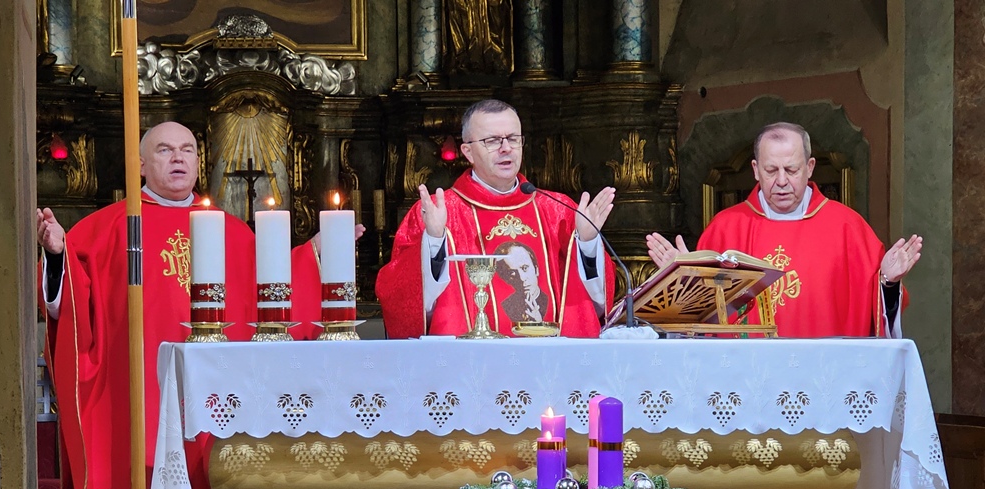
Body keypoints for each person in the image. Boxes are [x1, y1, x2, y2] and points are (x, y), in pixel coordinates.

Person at [36, 122, 324, 489]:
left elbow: (275, 303)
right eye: (165, 150)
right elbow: (71, 311)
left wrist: (314, 256)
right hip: (140, 403)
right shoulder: (108, 229)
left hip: (214, 411)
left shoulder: (234, 232)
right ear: (140, 164)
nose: (178, 158)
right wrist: (58, 257)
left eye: (187, 150)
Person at [645, 122, 922, 337]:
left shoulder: (847, 228)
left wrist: (887, 281)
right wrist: (683, 281)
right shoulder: (725, 228)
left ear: (810, 167)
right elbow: (701, 325)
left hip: (823, 375)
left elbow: (875, 315)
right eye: (771, 170)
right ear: (755, 170)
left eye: (791, 170)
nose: (781, 181)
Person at [376, 99, 616, 338]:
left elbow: (597, 306)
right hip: (468, 358)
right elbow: (402, 304)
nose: (506, 148)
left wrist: (587, 244)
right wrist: (434, 242)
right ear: (468, 152)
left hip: (549, 356)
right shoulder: (438, 212)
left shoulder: (558, 210)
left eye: (513, 138)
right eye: (492, 141)